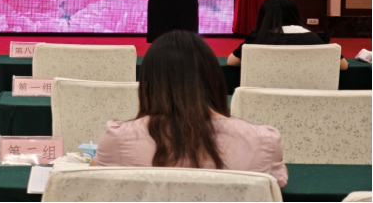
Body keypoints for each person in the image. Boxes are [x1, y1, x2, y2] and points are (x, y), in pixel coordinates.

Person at [92, 30, 289, 188]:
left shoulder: (118, 139)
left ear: (148, 84)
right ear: (214, 79)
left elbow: (90, 182)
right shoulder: (265, 141)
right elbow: (277, 182)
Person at [227, 0, 348, 71]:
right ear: (295, 14)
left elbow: (231, 61)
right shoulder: (315, 39)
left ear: (264, 17)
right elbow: (343, 65)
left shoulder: (258, 39)